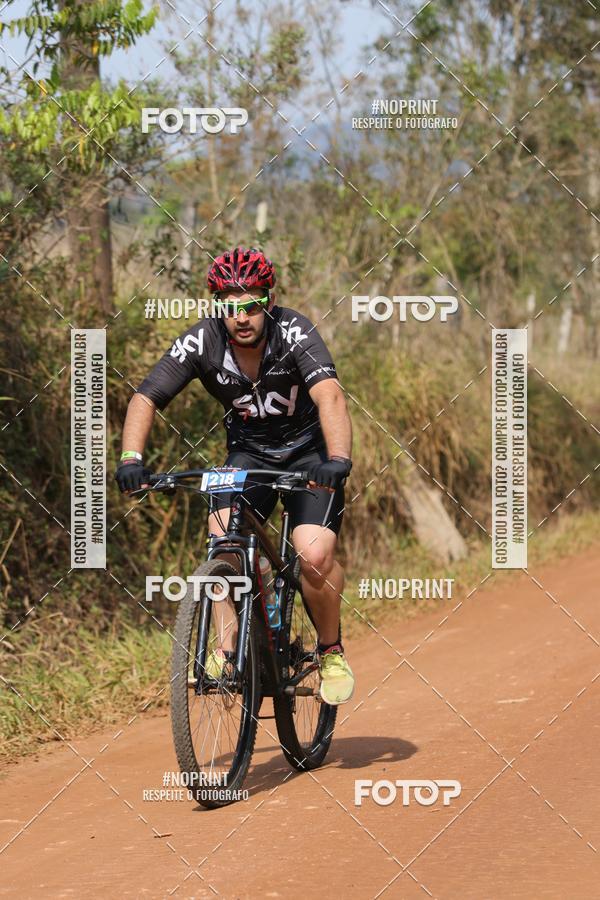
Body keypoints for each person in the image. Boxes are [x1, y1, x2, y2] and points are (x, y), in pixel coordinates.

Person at [115, 247, 354, 704]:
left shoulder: (294, 329)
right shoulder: (202, 341)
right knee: (222, 538)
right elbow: (146, 397)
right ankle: (227, 649)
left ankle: (330, 650)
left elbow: (330, 396)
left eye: (251, 304)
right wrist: (131, 459)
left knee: (314, 555)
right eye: (229, 306)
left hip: (310, 455)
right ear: (216, 306)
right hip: (248, 454)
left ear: (269, 300)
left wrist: (337, 458)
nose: (241, 317)